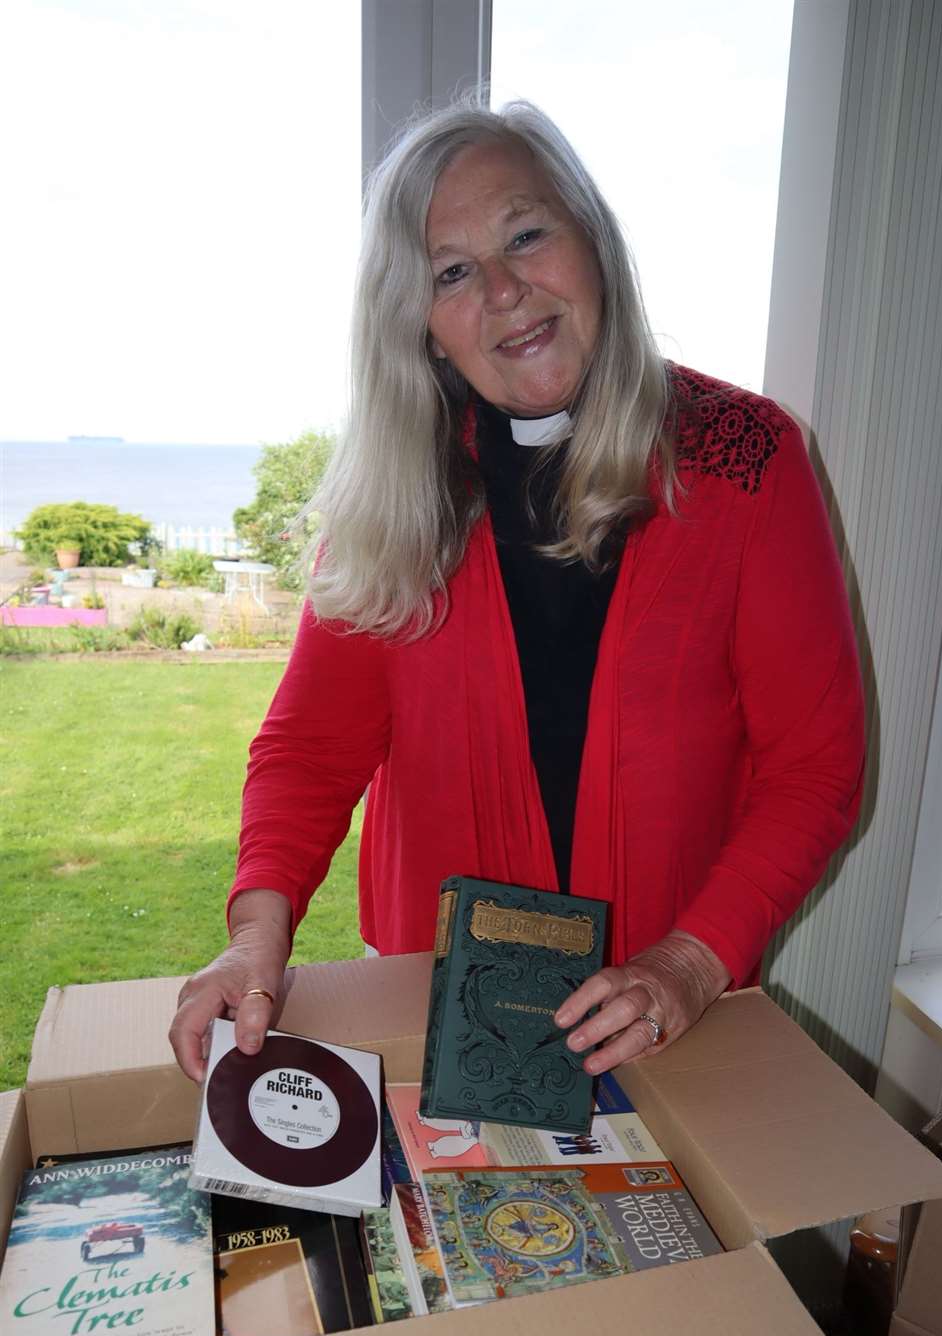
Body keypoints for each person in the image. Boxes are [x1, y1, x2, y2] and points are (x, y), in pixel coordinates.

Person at [169, 101, 864, 1085]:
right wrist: (255, 935)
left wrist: (689, 964)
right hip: (430, 1012)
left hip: (673, 1018)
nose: (503, 290)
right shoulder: (398, 491)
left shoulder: (749, 459)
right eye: (452, 272)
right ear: (423, 326)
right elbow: (310, 751)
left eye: (526, 235)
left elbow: (816, 765)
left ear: (592, 238)